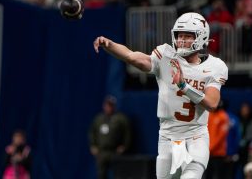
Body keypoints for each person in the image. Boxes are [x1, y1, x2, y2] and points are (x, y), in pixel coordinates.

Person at [93, 12, 228, 179]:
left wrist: (184, 86)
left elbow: (212, 103)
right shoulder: (166, 56)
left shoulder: (214, 66)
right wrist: (110, 45)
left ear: (201, 37)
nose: (181, 40)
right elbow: (132, 57)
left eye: (188, 36)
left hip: (196, 136)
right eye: (179, 35)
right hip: (168, 138)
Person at [89, 95, 131, 179]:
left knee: (118, 173)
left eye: (111, 105)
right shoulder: (98, 119)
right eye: (107, 105)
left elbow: (127, 133)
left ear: (114, 106)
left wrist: (124, 146)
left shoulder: (120, 119)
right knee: (101, 174)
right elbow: (92, 132)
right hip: (102, 152)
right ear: (104, 106)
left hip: (115, 152)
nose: (108, 108)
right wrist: (93, 145)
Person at [205, 99, 229, 179]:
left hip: (218, 154)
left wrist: (210, 148)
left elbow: (220, 137)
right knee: (207, 175)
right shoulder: (209, 115)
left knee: (218, 175)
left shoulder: (223, 116)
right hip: (208, 152)